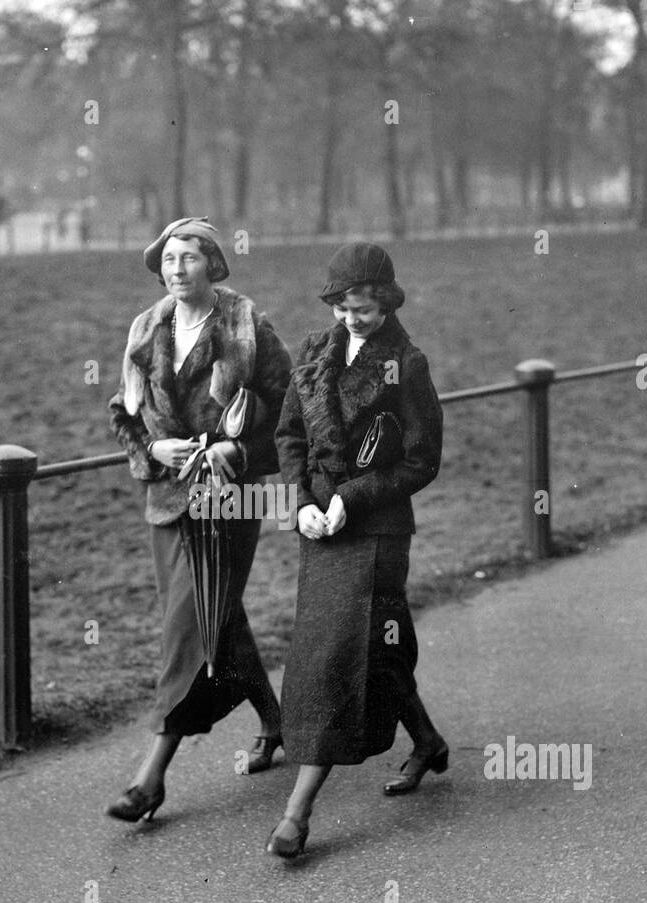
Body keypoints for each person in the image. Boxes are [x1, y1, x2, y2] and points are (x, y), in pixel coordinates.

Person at [106, 217, 294, 822]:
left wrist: (238, 450)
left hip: (227, 499)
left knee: (186, 627)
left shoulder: (246, 324)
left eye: (189, 257)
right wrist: (152, 452)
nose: (176, 268)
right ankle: (277, 721)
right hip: (166, 500)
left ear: (214, 263)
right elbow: (125, 414)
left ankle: (152, 776)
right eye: (168, 259)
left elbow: (289, 410)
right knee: (221, 617)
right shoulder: (146, 327)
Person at [266, 242, 448, 857]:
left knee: (333, 660)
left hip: (375, 533)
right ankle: (425, 740)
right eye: (344, 309)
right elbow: (290, 433)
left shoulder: (408, 364)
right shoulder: (315, 351)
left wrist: (354, 496)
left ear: (388, 302)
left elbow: (423, 460)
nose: (353, 320)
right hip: (322, 531)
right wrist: (302, 501)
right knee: (375, 651)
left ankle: (296, 816)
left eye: (365, 310)